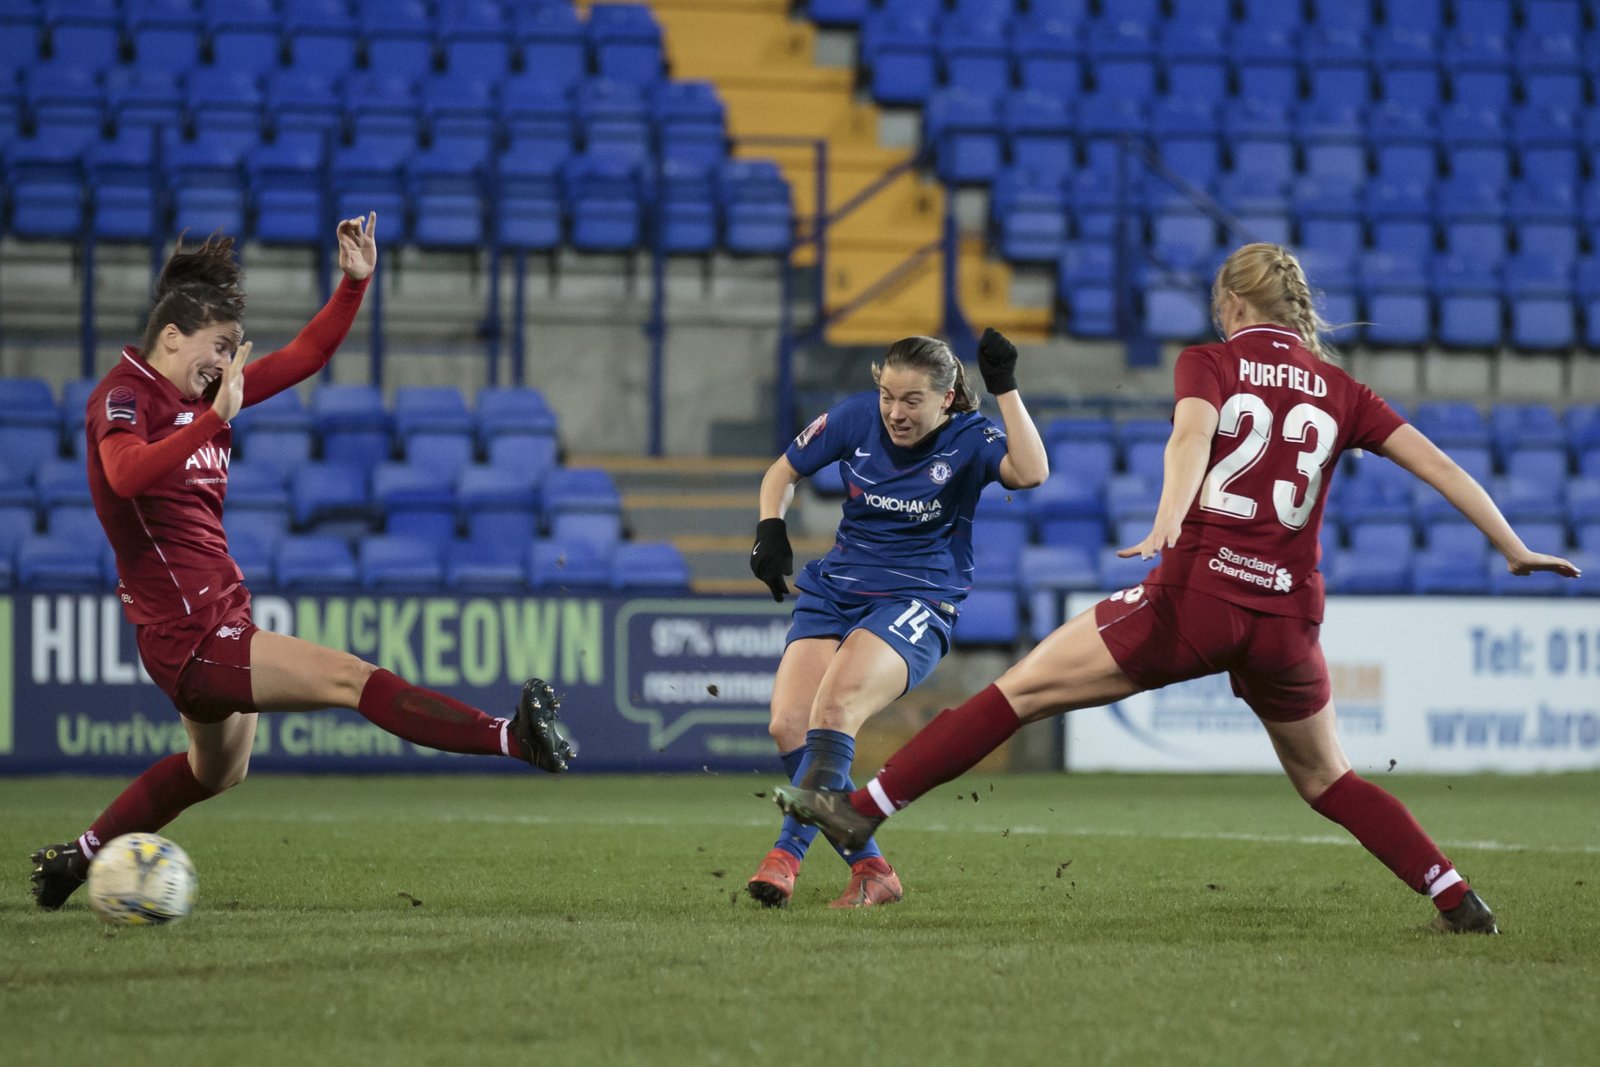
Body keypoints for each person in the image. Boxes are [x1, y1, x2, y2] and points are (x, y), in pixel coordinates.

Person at [776, 242, 1581, 933]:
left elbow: (1192, 436)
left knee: (1018, 692)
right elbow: (1438, 463)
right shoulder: (1343, 390)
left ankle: (864, 808)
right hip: (1289, 618)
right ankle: (1454, 892)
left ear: (1230, 303)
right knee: (1329, 778)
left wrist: (1167, 517)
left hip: (1196, 598)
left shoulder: (1211, 360)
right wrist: (1512, 545)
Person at [30, 216, 577, 910]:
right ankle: (510, 736)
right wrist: (212, 418)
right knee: (350, 678)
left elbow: (308, 354)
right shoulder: (125, 395)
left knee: (215, 772)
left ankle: (74, 862)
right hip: (188, 633)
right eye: (219, 348)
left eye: (234, 351)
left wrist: (354, 281)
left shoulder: (204, 396)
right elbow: (126, 472)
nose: (228, 364)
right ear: (172, 336)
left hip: (216, 613)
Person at [745, 328, 1049, 908]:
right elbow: (781, 474)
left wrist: (1005, 385)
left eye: (912, 401)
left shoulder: (971, 437)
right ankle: (873, 871)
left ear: (947, 397)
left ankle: (785, 858)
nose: (895, 412)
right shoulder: (856, 418)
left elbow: (1031, 473)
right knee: (788, 726)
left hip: (916, 599)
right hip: (837, 590)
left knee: (834, 711)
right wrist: (770, 529)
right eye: (888, 395)